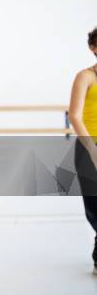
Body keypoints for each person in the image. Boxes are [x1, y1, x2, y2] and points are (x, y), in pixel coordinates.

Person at [68, 26, 97, 276]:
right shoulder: (85, 77)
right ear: (93, 48)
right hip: (89, 144)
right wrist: (92, 148)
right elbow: (75, 116)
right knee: (94, 204)